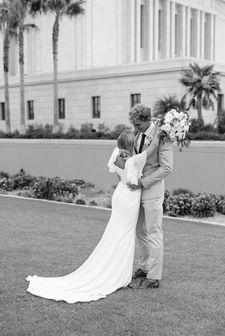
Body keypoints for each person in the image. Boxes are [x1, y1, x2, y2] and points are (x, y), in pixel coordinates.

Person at [26, 125, 161, 304]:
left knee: (116, 231)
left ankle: (117, 268)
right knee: (125, 234)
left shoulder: (116, 154)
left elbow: (118, 176)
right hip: (129, 198)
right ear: (131, 145)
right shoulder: (134, 160)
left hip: (120, 194)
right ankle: (119, 274)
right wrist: (158, 136)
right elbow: (151, 149)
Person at [127, 104, 173, 289]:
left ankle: (154, 277)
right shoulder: (138, 133)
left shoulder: (163, 136)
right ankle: (144, 267)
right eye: (134, 125)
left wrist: (144, 182)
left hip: (152, 191)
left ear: (148, 120)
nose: (135, 129)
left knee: (154, 232)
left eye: (138, 125)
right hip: (137, 191)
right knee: (139, 231)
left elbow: (167, 167)